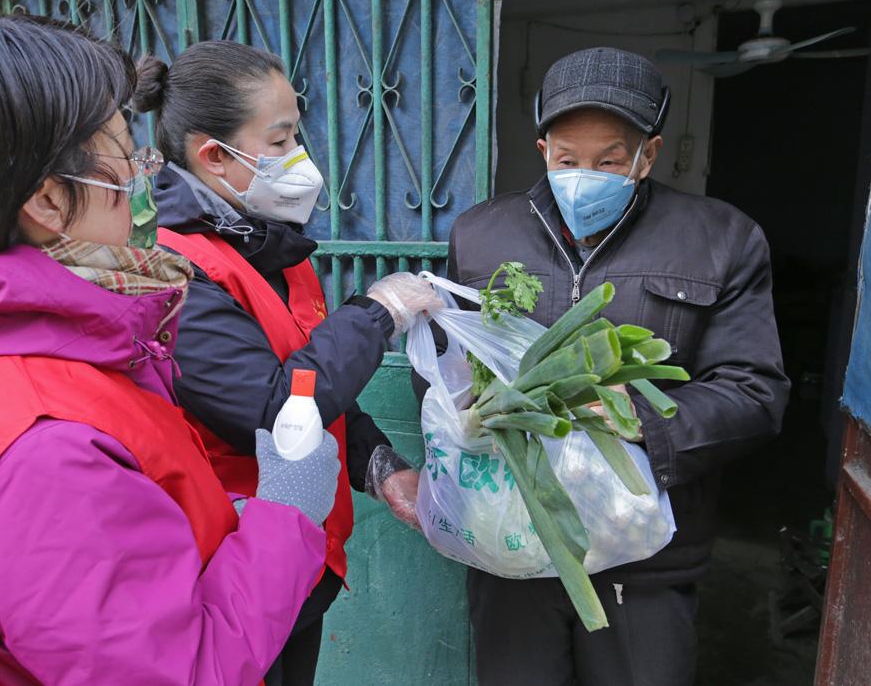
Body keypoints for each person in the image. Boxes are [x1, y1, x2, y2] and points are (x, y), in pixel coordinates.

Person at [0, 9, 345, 685]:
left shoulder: (17, 341)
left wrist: (216, 522)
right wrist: (288, 513)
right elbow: (181, 669)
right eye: (128, 155)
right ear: (45, 201)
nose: (144, 180)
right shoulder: (45, 453)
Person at [443, 47, 791, 685]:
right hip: (515, 540)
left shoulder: (721, 239)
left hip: (646, 553)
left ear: (648, 155)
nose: (583, 176)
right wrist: (465, 415)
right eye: (567, 158)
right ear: (543, 146)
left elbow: (755, 391)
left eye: (609, 161)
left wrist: (643, 422)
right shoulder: (479, 234)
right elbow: (448, 365)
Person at [132, 42, 439, 685]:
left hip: (301, 560)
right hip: (230, 567)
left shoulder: (273, 249)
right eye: (279, 141)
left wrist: (379, 467)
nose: (301, 160)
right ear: (213, 155)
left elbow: (315, 378)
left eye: (297, 135)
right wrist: (376, 312)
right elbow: (277, 411)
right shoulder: (173, 269)